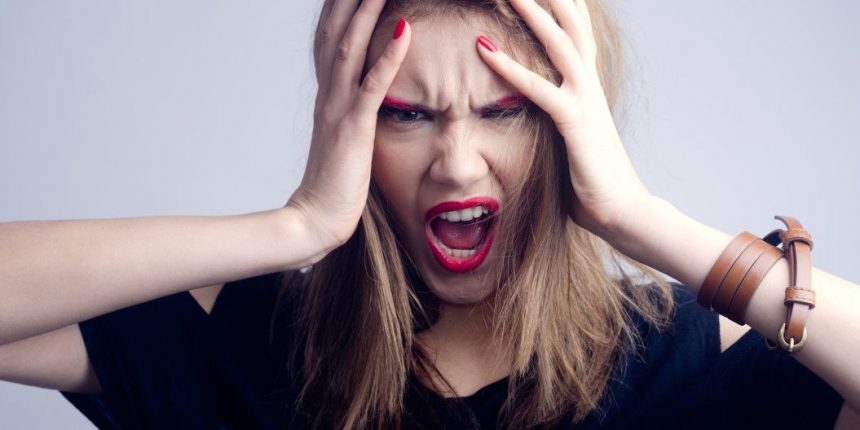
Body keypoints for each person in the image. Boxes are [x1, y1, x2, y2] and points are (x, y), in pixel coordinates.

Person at [0, 0, 858, 428]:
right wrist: (295, 226)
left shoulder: (694, 358)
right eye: (405, 114)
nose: (456, 162)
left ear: (571, 129)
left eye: (505, 111)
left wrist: (638, 217)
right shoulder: (254, 342)